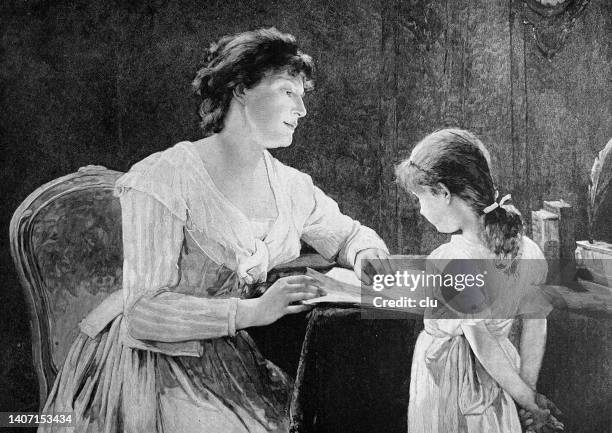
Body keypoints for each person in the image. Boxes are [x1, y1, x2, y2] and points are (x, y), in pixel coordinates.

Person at [40, 27, 389, 433]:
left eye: (302, 96)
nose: (302, 110)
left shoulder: (292, 186)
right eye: (287, 92)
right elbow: (143, 312)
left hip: (227, 356)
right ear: (240, 89)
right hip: (148, 364)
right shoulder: (165, 175)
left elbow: (349, 235)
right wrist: (253, 311)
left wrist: (366, 256)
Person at [395, 129, 563, 433]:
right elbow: (535, 327)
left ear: (443, 193)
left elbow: (482, 344)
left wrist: (528, 400)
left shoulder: (450, 259)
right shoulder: (530, 250)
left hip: (451, 387)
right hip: (504, 380)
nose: (420, 209)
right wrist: (527, 396)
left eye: (420, 198)